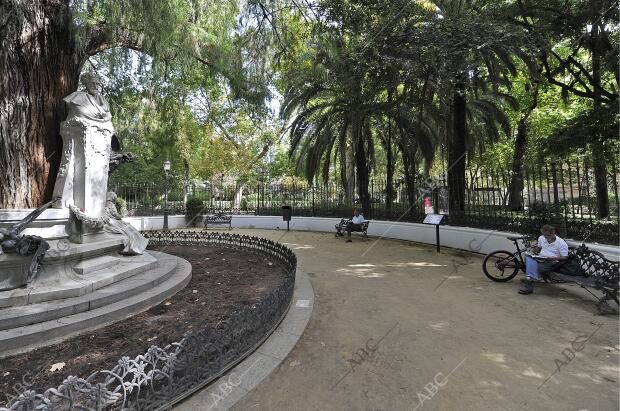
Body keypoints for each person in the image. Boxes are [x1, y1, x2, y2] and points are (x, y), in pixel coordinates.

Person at [518, 225, 569, 295]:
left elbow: (565, 257)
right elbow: (539, 248)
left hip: (552, 262)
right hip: (540, 258)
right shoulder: (541, 238)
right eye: (544, 235)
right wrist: (534, 251)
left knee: (534, 267)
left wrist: (553, 258)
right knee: (528, 258)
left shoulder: (561, 243)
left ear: (553, 233)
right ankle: (531, 277)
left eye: (547, 235)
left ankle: (529, 284)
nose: (546, 237)